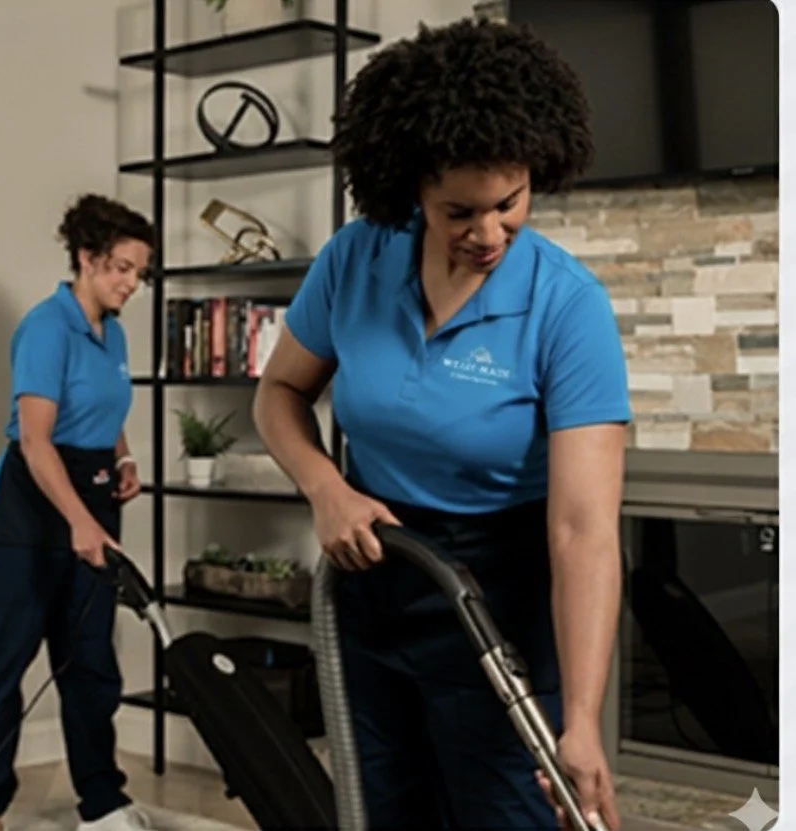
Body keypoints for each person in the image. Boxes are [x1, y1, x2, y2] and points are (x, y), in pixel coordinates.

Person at [253, 17, 629, 831]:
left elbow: (582, 529)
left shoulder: (566, 305)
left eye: (510, 202)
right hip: (377, 573)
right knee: (385, 807)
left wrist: (584, 721)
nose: (488, 233)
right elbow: (278, 392)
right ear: (410, 188)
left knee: (501, 814)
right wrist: (326, 488)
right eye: (460, 210)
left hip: (501, 599)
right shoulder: (355, 259)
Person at [0, 194, 156, 831]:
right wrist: (80, 521)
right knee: (4, 662)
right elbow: (38, 441)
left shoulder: (114, 330)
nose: (132, 282)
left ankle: (102, 801)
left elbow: (103, 409)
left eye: (139, 272)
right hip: (27, 512)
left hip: (91, 494)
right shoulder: (45, 327)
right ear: (85, 258)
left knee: (91, 659)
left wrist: (123, 460)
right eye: (122, 267)